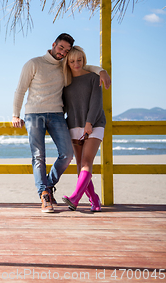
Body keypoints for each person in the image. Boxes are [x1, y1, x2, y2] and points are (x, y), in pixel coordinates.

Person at [12, 33, 110, 213]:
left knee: (67, 155)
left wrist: (101, 70)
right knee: (38, 156)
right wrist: (15, 115)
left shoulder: (65, 66)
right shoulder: (33, 63)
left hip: (57, 114)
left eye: (66, 50)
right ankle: (45, 195)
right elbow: (20, 89)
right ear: (53, 44)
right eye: (60, 48)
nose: (63, 52)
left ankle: (47, 186)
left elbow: (82, 66)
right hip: (34, 114)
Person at [61, 46, 106, 212]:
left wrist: (89, 123)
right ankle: (94, 200)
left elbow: (96, 103)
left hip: (94, 124)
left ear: (84, 59)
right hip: (73, 125)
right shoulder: (65, 81)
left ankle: (75, 198)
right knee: (80, 166)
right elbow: (64, 106)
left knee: (87, 162)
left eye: (79, 60)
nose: (76, 63)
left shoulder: (93, 78)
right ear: (68, 62)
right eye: (72, 61)